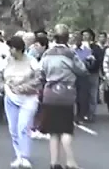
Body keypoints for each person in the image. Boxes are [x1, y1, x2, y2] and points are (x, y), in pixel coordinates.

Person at [40, 24, 87, 169]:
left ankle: (54, 162)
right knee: (66, 129)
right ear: (67, 38)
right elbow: (82, 70)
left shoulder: (47, 54)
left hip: (49, 94)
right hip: (66, 94)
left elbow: (40, 71)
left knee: (53, 130)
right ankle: (70, 161)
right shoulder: (70, 53)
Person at [0, 36, 42, 168]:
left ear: (18, 49)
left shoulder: (31, 61)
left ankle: (25, 156)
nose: (10, 50)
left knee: (23, 127)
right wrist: (1, 87)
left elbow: (39, 78)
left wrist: (23, 87)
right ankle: (19, 156)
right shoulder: (7, 61)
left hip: (28, 98)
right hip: (11, 98)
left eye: (12, 48)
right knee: (13, 129)